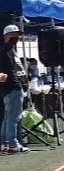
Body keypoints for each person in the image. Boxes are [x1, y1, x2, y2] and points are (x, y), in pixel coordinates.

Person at [0, 25, 29, 155]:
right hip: (12, 88)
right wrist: (17, 85)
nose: (17, 37)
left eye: (18, 35)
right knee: (13, 117)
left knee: (8, 117)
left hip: (12, 88)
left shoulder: (11, 50)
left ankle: (5, 143)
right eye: (14, 35)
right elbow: (10, 70)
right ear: (7, 36)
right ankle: (12, 144)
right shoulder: (5, 51)